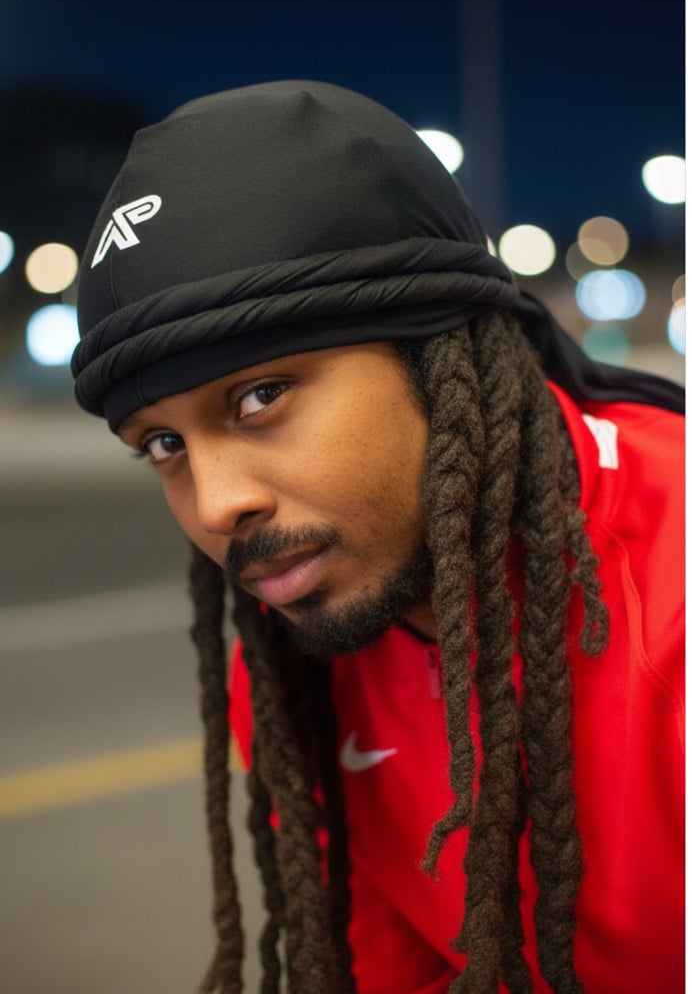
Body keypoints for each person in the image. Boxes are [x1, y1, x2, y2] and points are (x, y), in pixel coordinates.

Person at [71, 81, 684, 994]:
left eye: (260, 396)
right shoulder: (287, 666)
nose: (216, 504)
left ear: (440, 356)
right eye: (164, 445)